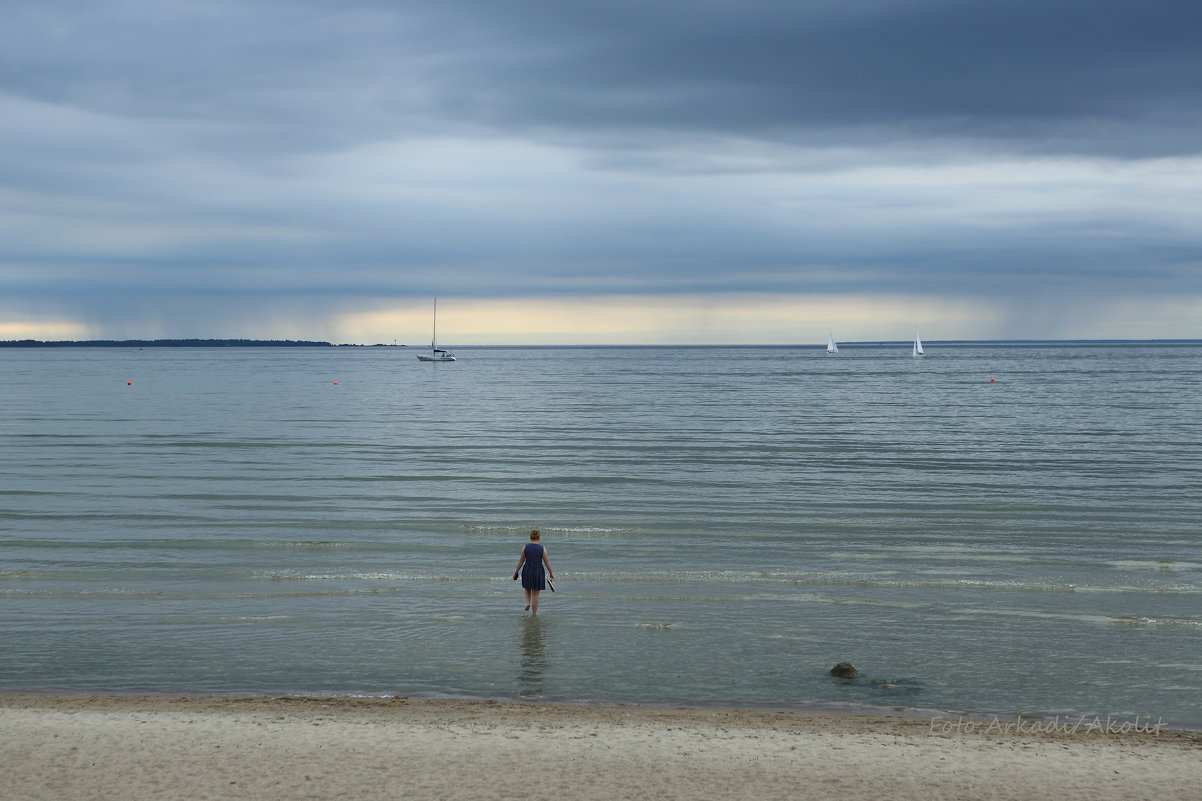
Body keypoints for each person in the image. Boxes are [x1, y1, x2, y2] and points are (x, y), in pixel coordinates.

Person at [513, 529, 554, 615]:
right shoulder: (542, 548)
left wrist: (516, 572)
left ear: (530, 537)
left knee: (527, 588)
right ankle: (534, 613)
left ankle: (528, 603)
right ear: (539, 537)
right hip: (538, 570)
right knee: (535, 593)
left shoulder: (525, 547)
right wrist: (551, 573)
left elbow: (521, 561)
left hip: (527, 569)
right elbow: (547, 562)